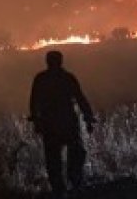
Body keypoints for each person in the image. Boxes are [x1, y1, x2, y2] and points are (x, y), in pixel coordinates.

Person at [29, 50, 96, 196]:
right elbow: (80, 99)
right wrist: (88, 117)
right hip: (65, 124)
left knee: (56, 160)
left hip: (54, 125)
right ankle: (71, 185)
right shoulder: (67, 78)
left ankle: (63, 188)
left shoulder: (42, 79)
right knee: (69, 156)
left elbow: (34, 102)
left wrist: (36, 121)